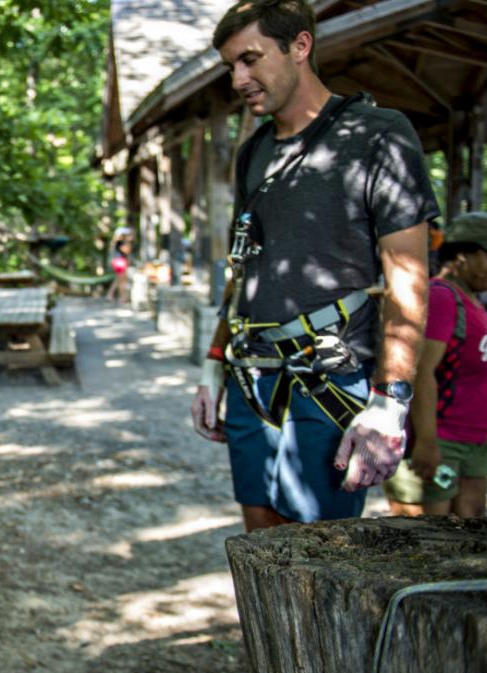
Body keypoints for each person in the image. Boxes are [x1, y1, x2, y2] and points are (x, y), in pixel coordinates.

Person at [190, 0, 437, 531]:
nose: (239, 79)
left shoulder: (378, 135)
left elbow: (408, 279)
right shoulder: (253, 151)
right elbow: (244, 270)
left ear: (300, 46)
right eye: (231, 65)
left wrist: (390, 401)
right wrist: (213, 364)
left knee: (315, 551)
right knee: (258, 541)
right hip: (251, 373)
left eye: (251, 59)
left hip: (330, 374)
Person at [383, 212, 487, 518]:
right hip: (439, 441)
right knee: (424, 543)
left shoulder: (476, 301)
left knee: (470, 542)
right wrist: (426, 442)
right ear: (461, 255)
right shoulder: (441, 298)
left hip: (475, 443)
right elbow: (420, 371)